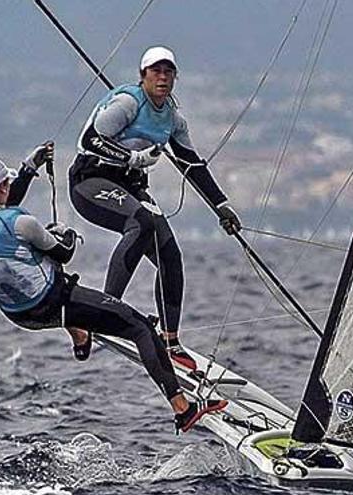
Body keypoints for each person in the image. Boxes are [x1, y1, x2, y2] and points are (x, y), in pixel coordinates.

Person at [0, 143, 227, 433]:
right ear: (2, 188)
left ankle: (80, 334)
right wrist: (66, 233)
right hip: (53, 303)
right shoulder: (22, 224)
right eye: (8, 183)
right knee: (140, 328)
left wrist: (29, 168)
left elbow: (0, 206)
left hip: (18, 314)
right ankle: (183, 409)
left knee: (29, 262)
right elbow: (64, 253)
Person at [69, 46, 241, 371]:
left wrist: (222, 207)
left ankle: (170, 340)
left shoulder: (173, 120)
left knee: (170, 255)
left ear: (175, 77)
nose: (162, 77)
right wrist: (130, 158)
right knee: (142, 222)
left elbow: (192, 164)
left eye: (168, 72)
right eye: (155, 71)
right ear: (143, 75)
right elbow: (90, 139)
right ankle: (107, 310)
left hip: (130, 187)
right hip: (89, 180)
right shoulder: (128, 103)